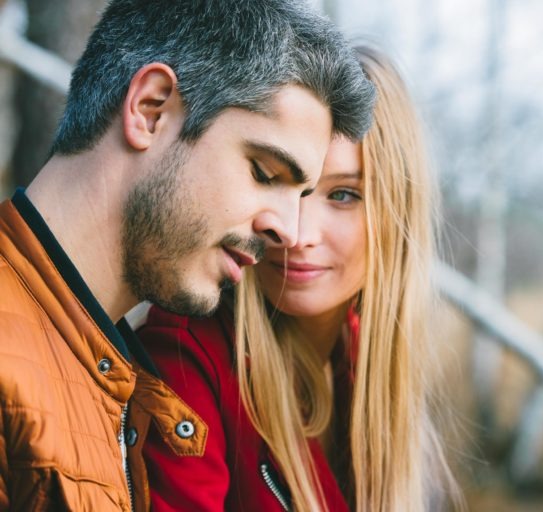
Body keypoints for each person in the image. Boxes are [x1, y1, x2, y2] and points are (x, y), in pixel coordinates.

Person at [0, 0, 375, 509]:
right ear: (150, 109)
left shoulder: (113, 375)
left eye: (304, 195)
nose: (287, 231)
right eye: (265, 173)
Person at [139, 45, 463, 511]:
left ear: (397, 213)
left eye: (344, 195)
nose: (296, 232)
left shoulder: (367, 363)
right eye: (277, 180)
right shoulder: (188, 354)